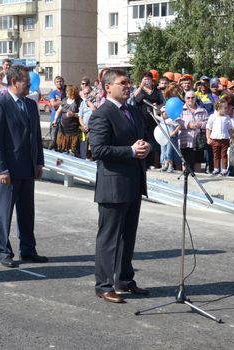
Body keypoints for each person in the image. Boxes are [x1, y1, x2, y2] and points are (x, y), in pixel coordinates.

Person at [89, 69, 151, 304]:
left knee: (128, 237)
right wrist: (131, 151)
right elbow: (98, 150)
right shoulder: (102, 115)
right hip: (113, 186)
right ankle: (104, 285)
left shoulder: (133, 111)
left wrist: (146, 148)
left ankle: (124, 280)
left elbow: (145, 138)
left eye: (129, 82)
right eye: (122, 83)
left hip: (134, 184)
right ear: (107, 87)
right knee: (109, 238)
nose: (128, 86)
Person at [0, 65, 47, 268]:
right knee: (5, 213)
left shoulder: (30, 105)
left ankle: (28, 249)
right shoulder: (0, 105)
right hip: (8, 171)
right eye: (26, 83)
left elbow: (36, 136)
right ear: (14, 82)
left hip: (27, 168)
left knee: (27, 212)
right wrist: (1, 168)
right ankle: (5, 251)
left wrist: (39, 161)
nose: (30, 87)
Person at [134, 71, 164, 169]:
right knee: (143, 139)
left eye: (148, 79)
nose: (147, 81)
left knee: (153, 141)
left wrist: (157, 106)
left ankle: (154, 163)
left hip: (154, 119)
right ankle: (144, 162)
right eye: (145, 79)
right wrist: (141, 86)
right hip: (141, 119)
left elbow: (163, 103)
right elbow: (134, 98)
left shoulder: (157, 91)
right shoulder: (140, 90)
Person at [177, 90, 209, 173]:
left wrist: (200, 124)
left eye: (192, 97)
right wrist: (188, 125)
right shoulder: (180, 110)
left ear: (195, 98)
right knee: (186, 162)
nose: (190, 99)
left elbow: (208, 123)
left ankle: (197, 180)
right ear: (185, 99)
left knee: (198, 161)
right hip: (186, 140)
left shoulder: (203, 110)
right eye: (188, 98)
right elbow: (176, 122)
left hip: (199, 141)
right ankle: (186, 179)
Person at [53, 84, 82, 156]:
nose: (66, 92)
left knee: (73, 152)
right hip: (63, 129)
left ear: (72, 92)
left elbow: (82, 114)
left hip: (73, 131)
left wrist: (73, 114)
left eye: (67, 91)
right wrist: (55, 120)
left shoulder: (79, 101)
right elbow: (58, 111)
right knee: (62, 150)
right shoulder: (64, 100)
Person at [206, 99, 234, 176]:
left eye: (226, 108)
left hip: (224, 139)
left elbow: (229, 129)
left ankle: (224, 170)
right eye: (224, 108)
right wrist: (208, 138)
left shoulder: (227, 117)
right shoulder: (212, 117)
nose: (226, 109)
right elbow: (208, 128)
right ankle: (216, 169)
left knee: (224, 154)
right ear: (218, 108)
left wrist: (231, 137)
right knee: (216, 155)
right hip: (215, 138)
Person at [78, 85, 97, 159]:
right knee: (85, 143)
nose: (87, 95)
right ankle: (87, 157)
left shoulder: (96, 101)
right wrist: (83, 125)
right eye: (85, 94)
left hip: (94, 128)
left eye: (88, 93)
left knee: (90, 141)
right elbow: (80, 117)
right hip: (85, 128)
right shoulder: (82, 103)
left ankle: (91, 157)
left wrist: (90, 103)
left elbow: (95, 111)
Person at [48, 76, 66, 150]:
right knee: (53, 141)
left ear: (63, 82)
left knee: (62, 142)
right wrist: (65, 102)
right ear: (55, 83)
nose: (59, 83)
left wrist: (58, 102)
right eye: (57, 82)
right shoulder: (53, 93)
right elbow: (53, 104)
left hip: (65, 120)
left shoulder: (66, 93)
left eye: (60, 81)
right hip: (55, 120)